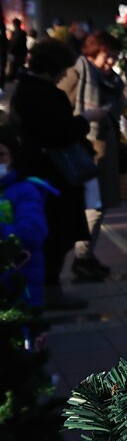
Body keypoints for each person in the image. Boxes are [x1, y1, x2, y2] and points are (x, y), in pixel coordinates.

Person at [10, 39, 107, 310]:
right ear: (52, 67)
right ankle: (49, 290)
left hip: (38, 174)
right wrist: (86, 118)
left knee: (49, 234)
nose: (65, 74)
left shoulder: (25, 89)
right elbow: (60, 133)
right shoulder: (43, 94)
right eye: (62, 68)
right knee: (55, 234)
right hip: (51, 178)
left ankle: (45, 289)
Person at [59, 30, 124, 282]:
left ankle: (87, 253)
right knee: (94, 208)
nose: (111, 62)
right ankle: (82, 256)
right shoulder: (78, 72)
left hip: (106, 151)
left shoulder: (113, 81)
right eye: (107, 56)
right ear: (93, 51)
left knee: (102, 205)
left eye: (114, 58)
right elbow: (60, 106)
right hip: (83, 151)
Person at [0, 123, 49, 308]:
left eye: (0, 155)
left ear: (13, 157)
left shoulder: (25, 190)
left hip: (19, 284)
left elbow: (31, 233)